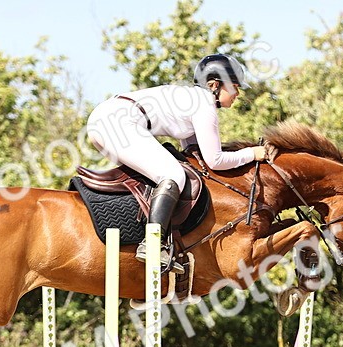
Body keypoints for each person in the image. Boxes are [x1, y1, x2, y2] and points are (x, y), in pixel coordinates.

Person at [85, 53, 266, 268]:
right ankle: (152, 244)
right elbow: (215, 161)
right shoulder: (204, 104)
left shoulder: (194, 99)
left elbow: (193, 152)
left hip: (110, 119)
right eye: (234, 86)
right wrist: (253, 154)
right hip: (118, 122)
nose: (237, 94)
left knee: (167, 172)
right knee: (172, 175)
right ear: (214, 85)